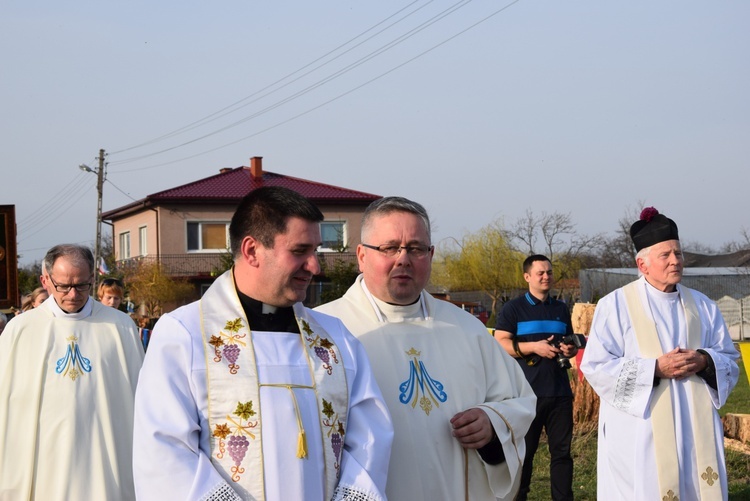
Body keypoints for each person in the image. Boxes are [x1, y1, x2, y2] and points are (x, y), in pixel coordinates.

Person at [133, 186, 393, 500]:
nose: (315, 267)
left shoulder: (336, 338)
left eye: (316, 250)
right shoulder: (184, 335)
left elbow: (370, 439)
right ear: (252, 251)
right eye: (300, 251)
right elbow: (164, 452)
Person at [317, 196, 536, 501]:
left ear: (431, 255)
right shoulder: (324, 332)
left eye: (416, 248)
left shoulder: (466, 328)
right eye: (390, 247)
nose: (403, 259)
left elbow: (519, 400)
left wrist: (491, 422)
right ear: (362, 256)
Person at [580, 207, 739, 500]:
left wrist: (704, 360)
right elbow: (597, 367)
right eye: (665, 255)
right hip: (643, 429)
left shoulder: (703, 305)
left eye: (677, 253)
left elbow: (730, 359)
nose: (675, 261)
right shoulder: (615, 305)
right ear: (642, 264)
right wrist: (654, 368)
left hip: (695, 429)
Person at [0, 244, 144, 500]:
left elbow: (138, 397)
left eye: (81, 285)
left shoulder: (120, 326)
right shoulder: (21, 329)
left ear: (92, 279)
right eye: (63, 286)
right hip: (43, 454)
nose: (73, 294)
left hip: (103, 454)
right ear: (46, 280)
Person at [493, 254, 577, 501]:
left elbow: (569, 342)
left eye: (549, 272)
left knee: (562, 454)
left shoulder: (561, 308)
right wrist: (534, 347)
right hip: (526, 394)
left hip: (560, 391)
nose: (546, 276)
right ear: (527, 276)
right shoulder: (513, 308)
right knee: (524, 454)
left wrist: (569, 349)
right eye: (540, 272)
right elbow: (500, 344)